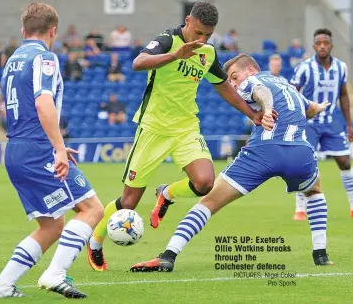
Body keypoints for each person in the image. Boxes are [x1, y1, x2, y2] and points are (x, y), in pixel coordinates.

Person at [86, 2, 267, 271]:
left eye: (208, 35)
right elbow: (138, 63)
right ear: (188, 22)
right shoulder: (167, 40)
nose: (202, 39)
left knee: (206, 182)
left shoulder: (207, 52)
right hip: (153, 129)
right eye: (199, 33)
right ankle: (96, 242)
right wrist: (175, 55)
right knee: (129, 203)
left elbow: (224, 87)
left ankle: (167, 193)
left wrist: (251, 113)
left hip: (185, 128)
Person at [130, 54, 333, 272]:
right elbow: (310, 109)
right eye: (231, 81)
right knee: (315, 190)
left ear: (251, 70)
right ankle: (320, 254)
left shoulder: (254, 81)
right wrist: (321, 106)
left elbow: (260, 92)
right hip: (300, 154)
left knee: (208, 202)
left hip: (263, 151)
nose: (234, 85)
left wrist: (267, 109)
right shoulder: (287, 85)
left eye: (235, 77)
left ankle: (168, 256)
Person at [0, 2, 104, 299]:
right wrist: (59, 148)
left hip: (16, 148)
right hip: (39, 151)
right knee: (92, 209)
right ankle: (55, 274)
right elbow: (42, 103)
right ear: (53, 31)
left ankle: (0, 287)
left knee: (52, 225)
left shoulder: (13, 60)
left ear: (23, 30)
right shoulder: (45, 58)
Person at [291, 28, 353, 221]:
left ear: (331, 45)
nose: (322, 46)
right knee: (304, 164)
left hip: (332, 122)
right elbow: (292, 92)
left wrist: (349, 125)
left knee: (345, 161)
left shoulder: (341, 67)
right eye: (318, 43)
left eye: (325, 43)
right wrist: (295, 118)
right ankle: (300, 209)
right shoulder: (305, 68)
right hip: (309, 123)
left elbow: (343, 94)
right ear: (313, 46)